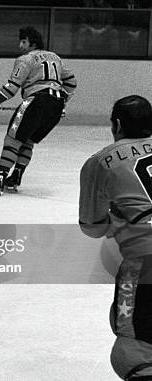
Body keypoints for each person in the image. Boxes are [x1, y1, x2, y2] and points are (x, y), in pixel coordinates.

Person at [79, 95, 152, 381]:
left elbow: (92, 226)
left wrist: (117, 219)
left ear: (117, 125)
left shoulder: (99, 162)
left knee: (133, 354)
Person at [0, 26, 77, 195]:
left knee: (13, 139)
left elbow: (11, 88)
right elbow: (71, 82)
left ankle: (0, 179)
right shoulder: (56, 58)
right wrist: (62, 103)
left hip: (36, 100)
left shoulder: (26, 59)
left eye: (23, 41)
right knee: (28, 140)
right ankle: (16, 177)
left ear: (32, 43)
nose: (20, 46)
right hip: (56, 103)